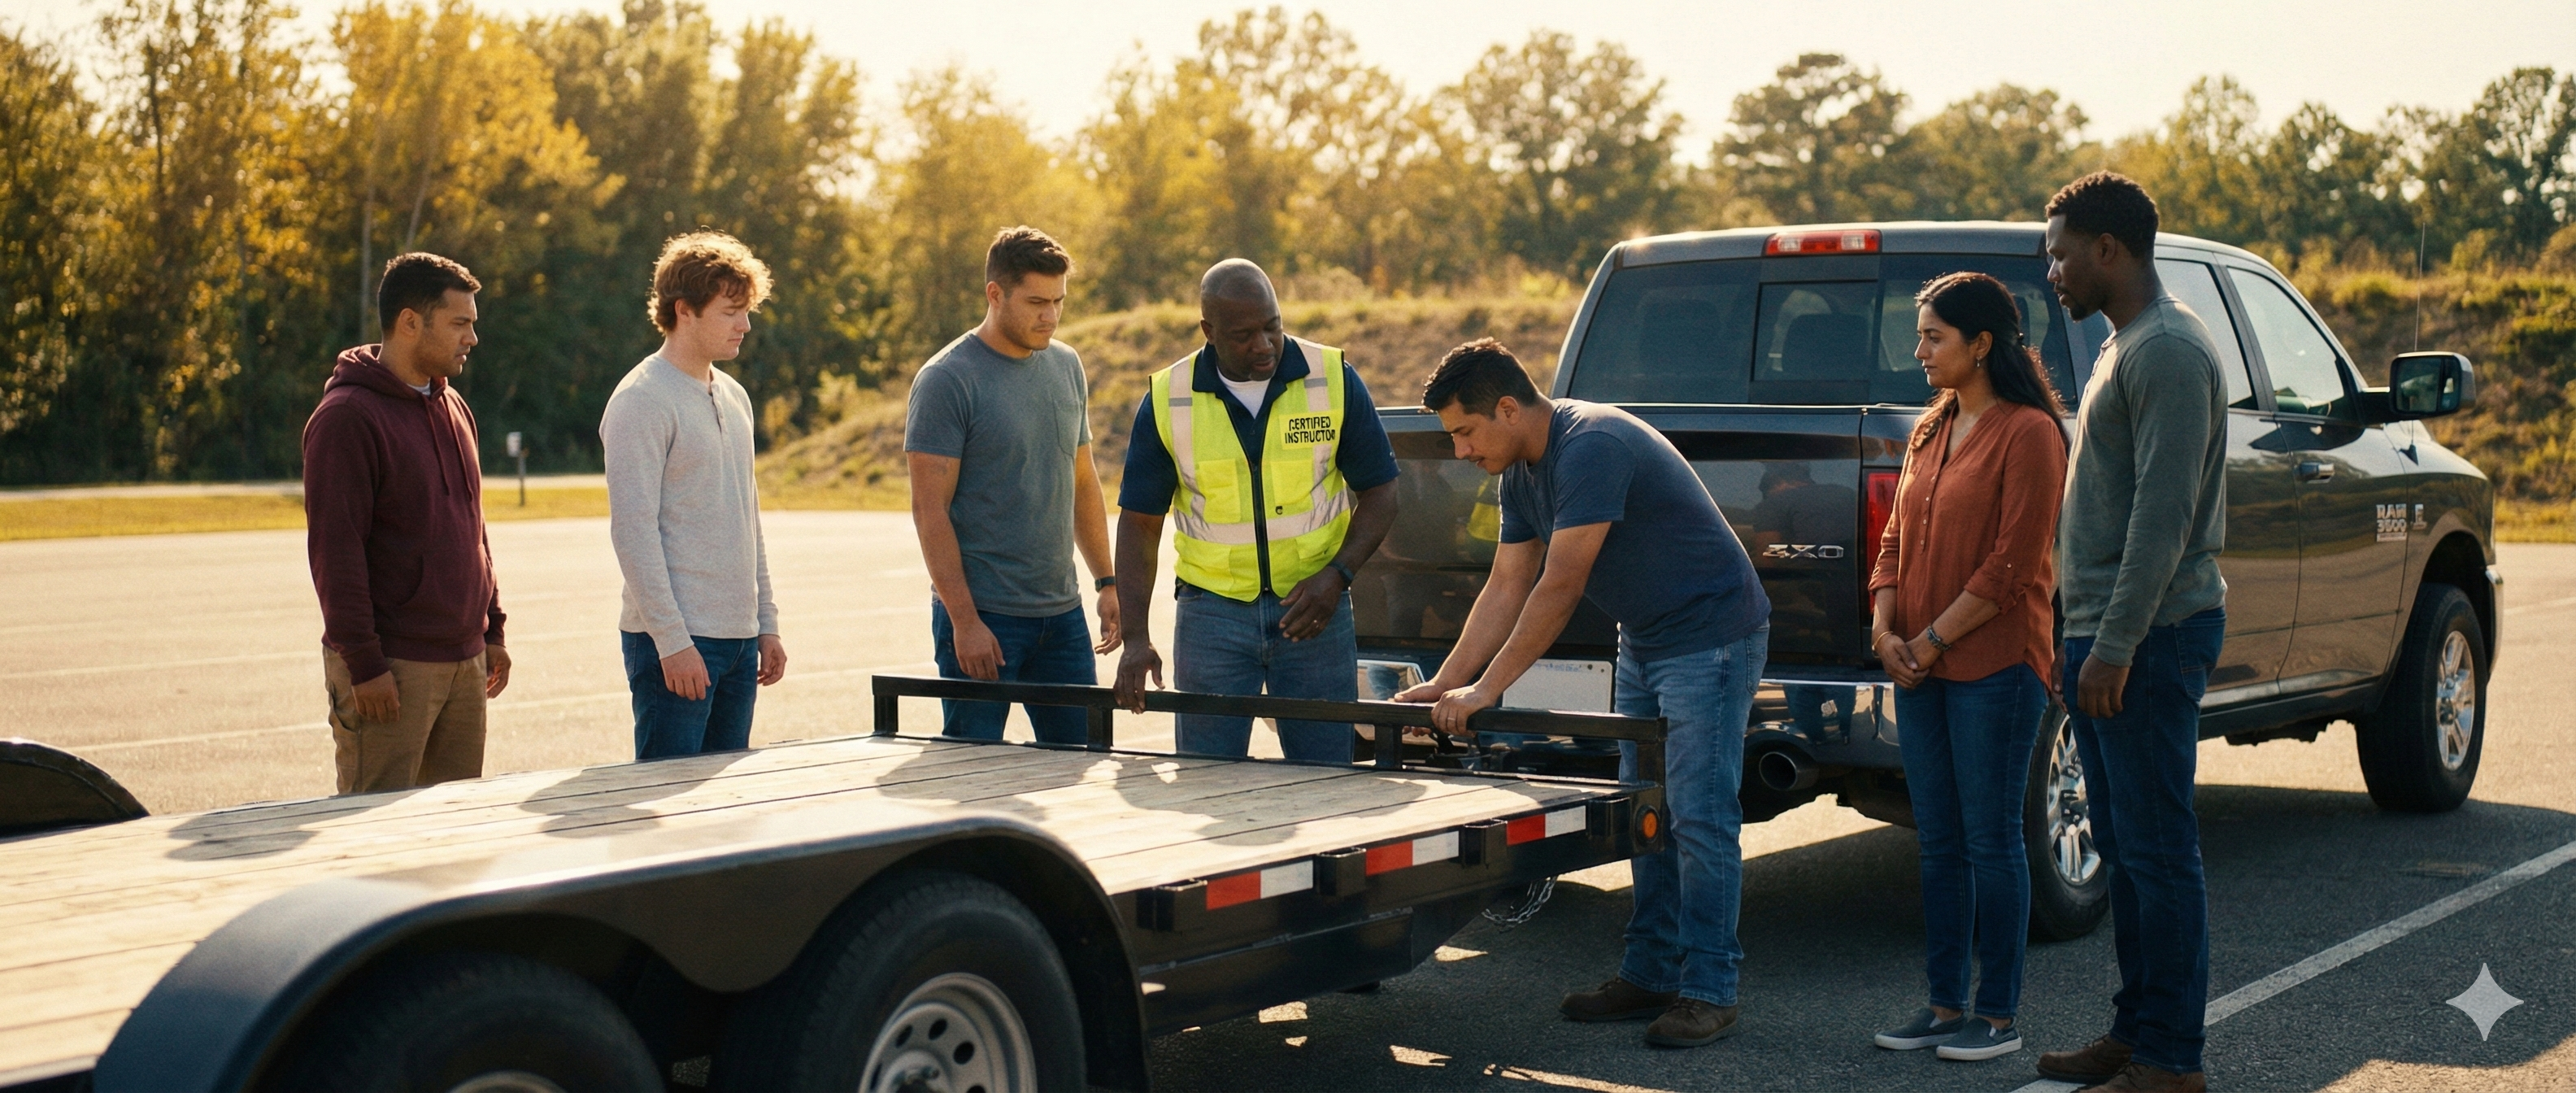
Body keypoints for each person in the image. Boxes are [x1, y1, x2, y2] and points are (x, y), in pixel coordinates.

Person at [1395, 339, 1772, 1049]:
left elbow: (1560, 587)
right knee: (1645, 813)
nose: (1459, 452)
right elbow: (1507, 584)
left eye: (1465, 432)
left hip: (1712, 636)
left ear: (1508, 408)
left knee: (1698, 816)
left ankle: (1710, 990)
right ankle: (1651, 973)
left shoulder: (1591, 445)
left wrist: (1488, 690)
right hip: (1648, 638)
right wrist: (1448, 682)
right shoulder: (1519, 474)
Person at [2034, 172, 2229, 1093]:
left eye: (2061, 251)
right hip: (2104, 633)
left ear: (2108, 249)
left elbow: (2164, 517)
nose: (2053, 270)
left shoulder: (2169, 352)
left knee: (2158, 850)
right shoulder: (2121, 346)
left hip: (2148, 635)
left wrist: (2113, 643)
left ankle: (2171, 1061)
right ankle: (2138, 1032)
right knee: (2126, 848)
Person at [1865, 272, 2069, 1064]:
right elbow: (1892, 543)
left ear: (1981, 343)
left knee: (1991, 840)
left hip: (1995, 665)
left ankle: (1996, 1014)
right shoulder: (1929, 428)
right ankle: (1943, 1003)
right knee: (1939, 842)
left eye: (1932, 337)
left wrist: (1933, 641)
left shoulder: (2031, 434)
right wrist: (1886, 629)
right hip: (1917, 665)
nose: (1918, 351)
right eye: (1919, 335)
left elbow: (2013, 565)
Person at [1110, 259, 1399, 762]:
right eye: (1244, 335)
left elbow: (1382, 493)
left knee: (1325, 780)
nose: (1264, 345)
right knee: (1208, 781)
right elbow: (1138, 526)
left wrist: (1338, 576)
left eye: (1272, 326)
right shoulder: (1168, 398)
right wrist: (1136, 638)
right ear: (1209, 331)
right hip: (1211, 619)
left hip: (1314, 615)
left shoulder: (1330, 378)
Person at [303, 252, 511, 795]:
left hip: (465, 661)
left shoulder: (455, 407)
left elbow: (474, 528)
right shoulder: (347, 417)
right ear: (409, 322)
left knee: (450, 840)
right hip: (392, 667)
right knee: (374, 838)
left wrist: (493, 628)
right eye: (460, 323)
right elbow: (336, 553)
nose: (472, 338)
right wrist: (365, 665)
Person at [906, 226, 1119, 742]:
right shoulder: (947, 380)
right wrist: (964, 621)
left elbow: (1082, 482)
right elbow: (929, 511)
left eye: (1059, 302)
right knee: (974, 777)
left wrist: (1107, 582)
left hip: (1061, 615)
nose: (1050, 315)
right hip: (985, 618)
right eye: (1036, 302)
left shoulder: (1067, 365)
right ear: (995, 294)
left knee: (1083, 763)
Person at [603, 231, 789, 760]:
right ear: (684, 310)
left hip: (738, 642)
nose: (745, 325)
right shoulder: (641, 400)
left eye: (747, 310)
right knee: (668, 810)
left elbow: (747, 520)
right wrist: (672, 643)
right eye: (732, 311)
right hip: (677, 645)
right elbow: (633, 532)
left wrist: (766, 625)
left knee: (721, 813)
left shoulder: (735, 396)